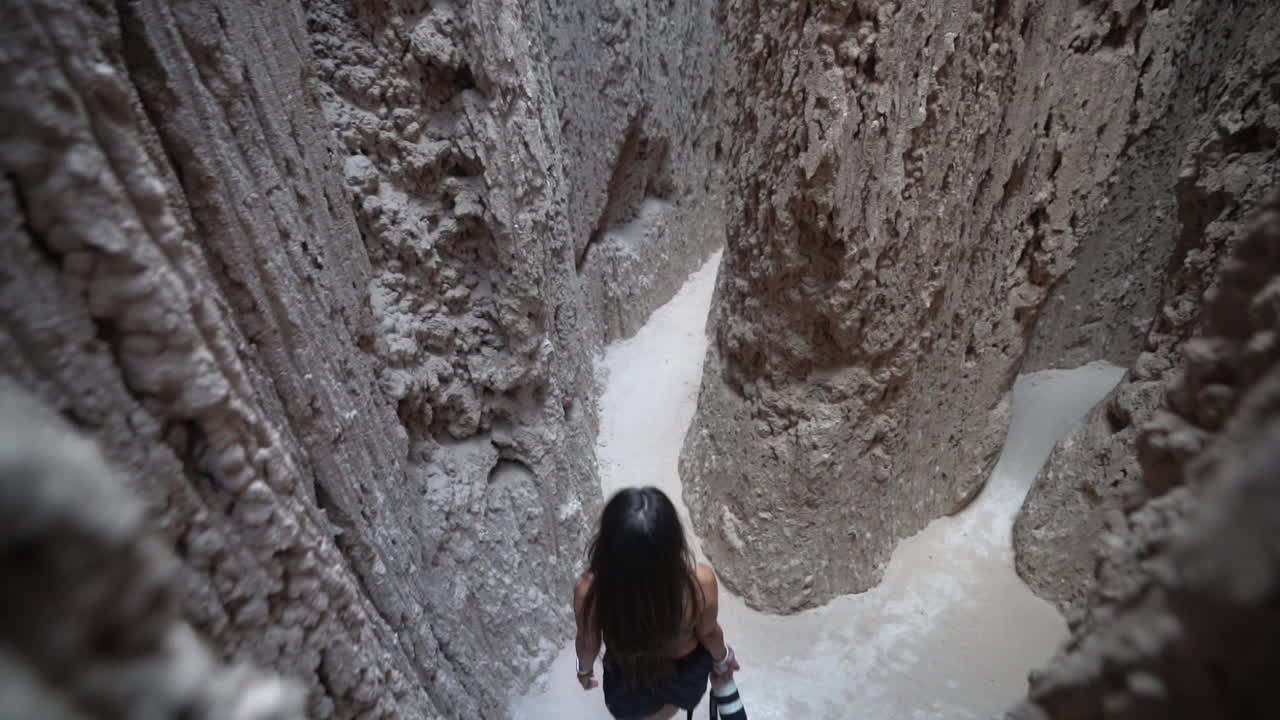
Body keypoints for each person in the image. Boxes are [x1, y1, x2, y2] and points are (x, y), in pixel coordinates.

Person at [572, 486, 741, 720]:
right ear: (674, 542)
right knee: (671, 705)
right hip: (685, 673)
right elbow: (709, 632)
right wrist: (724, 659)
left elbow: (588, 642)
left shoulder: (590, 591)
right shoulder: (699, 582)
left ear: (607, 545)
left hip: (628, 676)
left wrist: (584, 669)